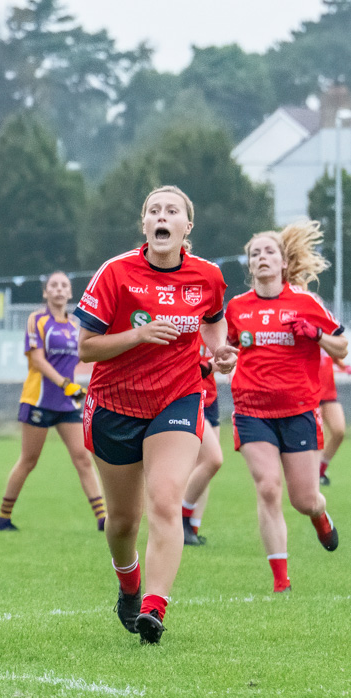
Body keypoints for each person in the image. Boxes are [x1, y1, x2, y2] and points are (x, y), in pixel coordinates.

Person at [74, 185, 236, 645]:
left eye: (172, 211)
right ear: (144, 224)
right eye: (153, 210)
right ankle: (129, 584)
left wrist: (218, 350)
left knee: (165, 499)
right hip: (115, 404)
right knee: (122, 523)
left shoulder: (208, 276)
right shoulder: (116, 273)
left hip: (178, 397)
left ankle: (154, 608)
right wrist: (137, 337)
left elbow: (213, 319)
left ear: (187, 227)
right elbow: (86, 347)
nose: (162, 216)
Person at [225, 221, 347, 593]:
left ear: (283, 262)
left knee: (304, 499)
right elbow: (227, 350)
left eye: (269, 251)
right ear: (250, 266)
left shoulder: (306, 303)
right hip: (251, 410)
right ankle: (282, 582)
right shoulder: (237, 308)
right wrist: (223, 361)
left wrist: (316, 335)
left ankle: (319, 514)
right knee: (267, 487)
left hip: (298, 411)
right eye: (255, 253)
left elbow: (341, 348)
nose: (262, 258)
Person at [0, 271, 106, 533]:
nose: (58, 289)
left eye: (63, 285)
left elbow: (82, 358)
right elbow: (38, 360)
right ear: (45, 293)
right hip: (38, 400)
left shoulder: (75, 327)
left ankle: (102, 519)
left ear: (70, 293)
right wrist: (67, 385)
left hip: (67, 403)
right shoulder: (37, 320)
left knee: (83, 458)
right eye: (53, 286)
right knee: (29, 460)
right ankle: (3, 518)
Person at [180, 347, 224, 546]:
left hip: (210, 397)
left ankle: (192, 528)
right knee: (213, 460)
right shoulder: (185, 319)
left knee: (205, 469)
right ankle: (180, 517)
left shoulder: (215, 321)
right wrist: (208, 366)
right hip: (188, 395)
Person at [318, 353, 346, 485]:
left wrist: (344, 366)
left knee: (339, 431)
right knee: (315, 436)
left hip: (328, 393)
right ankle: (310, 472)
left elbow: (336, 354)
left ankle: (320, 468)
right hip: (310, 393)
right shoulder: (306, 334)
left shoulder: (328, 336)